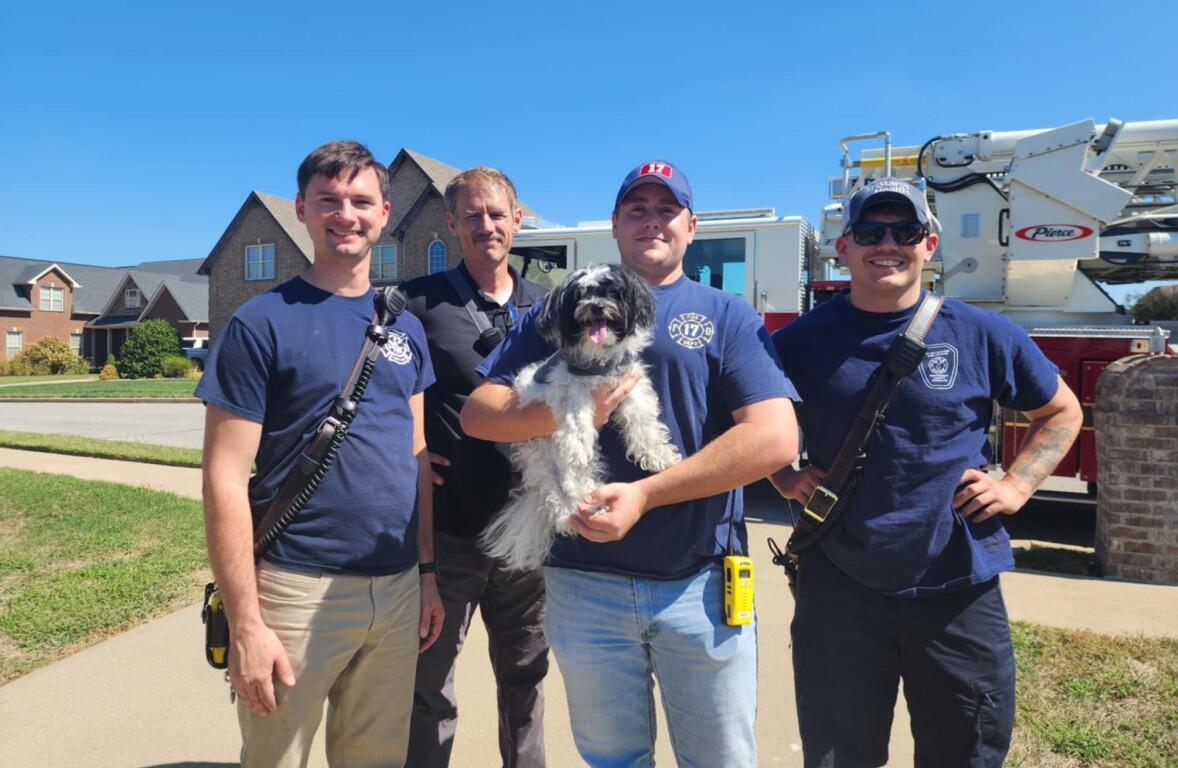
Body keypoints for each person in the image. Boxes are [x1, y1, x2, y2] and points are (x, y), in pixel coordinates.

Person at [461, 161, 799, 767]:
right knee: (612, 760)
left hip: (699, 584)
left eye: (665, 210)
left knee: (721, 760)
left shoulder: (727, 316)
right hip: (583, 587)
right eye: (636, 210)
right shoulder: (564, 309)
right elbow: (480, 413)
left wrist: (646, 495)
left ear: (690, 226)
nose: (651, 222)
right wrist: (576, 412)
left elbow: (774, 440)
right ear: (615, 226)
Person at [770, 177, 1083, 767]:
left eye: (904, 230)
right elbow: (747, 425)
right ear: (844, 247)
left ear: (929, 244)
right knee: (839, 756)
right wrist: (784, 477)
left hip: (957, 584)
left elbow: (1061, 411)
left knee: (965, 752)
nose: (887, 243)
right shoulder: (798, 343)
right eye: (870, 230)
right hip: (839, 586)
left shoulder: (982, 333)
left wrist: (1016, 484)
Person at [198, 140, 444, 767]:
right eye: (328, 200)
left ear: (385, 213)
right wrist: (247, 623)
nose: (346, 214)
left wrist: (426, 573)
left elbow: (416, 454)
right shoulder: (261, 322)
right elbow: (224, 480)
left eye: (361, 201)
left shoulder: (404, 326)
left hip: (393, 590)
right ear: (302, 210)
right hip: (293, 589)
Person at [403, 167, 550, 768]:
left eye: (497, 214)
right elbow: (384, 388)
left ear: (518, 220)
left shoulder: (551, 305)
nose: (485, 226)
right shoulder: (418, 303)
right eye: (471, 215)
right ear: (452, 223)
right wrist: (403, 450)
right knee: (430, 689)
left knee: (526, 683)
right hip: (454, 532)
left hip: (531, 536)